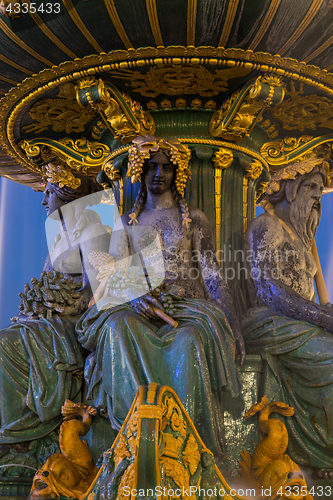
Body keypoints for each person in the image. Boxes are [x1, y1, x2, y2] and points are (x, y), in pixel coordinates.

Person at [76, 135, 245, 464]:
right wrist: (136, 296)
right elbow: (115, 275)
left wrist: (233, 324)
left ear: (177, 173)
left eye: (167, 167)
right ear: (140, 171)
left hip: (186, 308)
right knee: (116, 327)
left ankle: (191, 446)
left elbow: (212, 275)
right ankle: (133, 437)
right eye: (151, 166)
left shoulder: (194, 219)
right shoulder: (127, 223)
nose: (159, 173)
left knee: (190, 341)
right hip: (138, 305)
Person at [0, 163, 110, 444]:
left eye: (49, 192)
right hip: (52, 319)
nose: (43, 200)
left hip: (73, 321)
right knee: (5, 339)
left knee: (5, 344)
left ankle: (19, 428)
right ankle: (11, 425)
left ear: (67, 194)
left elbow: (99, 291)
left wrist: (58, 304)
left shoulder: (92, 232)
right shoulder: (59, 239)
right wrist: (36, 306)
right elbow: (46, 285)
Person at [242, 156, 333, 472]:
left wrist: (323, 311)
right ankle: (322, 451)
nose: (316, 198)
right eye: (310, 186)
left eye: (320, 190)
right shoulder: (266, 226)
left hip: (297, 321)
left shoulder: (302, 239)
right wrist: (321, 318)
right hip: (268, 320)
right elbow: (270, 290)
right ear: (288, 189)